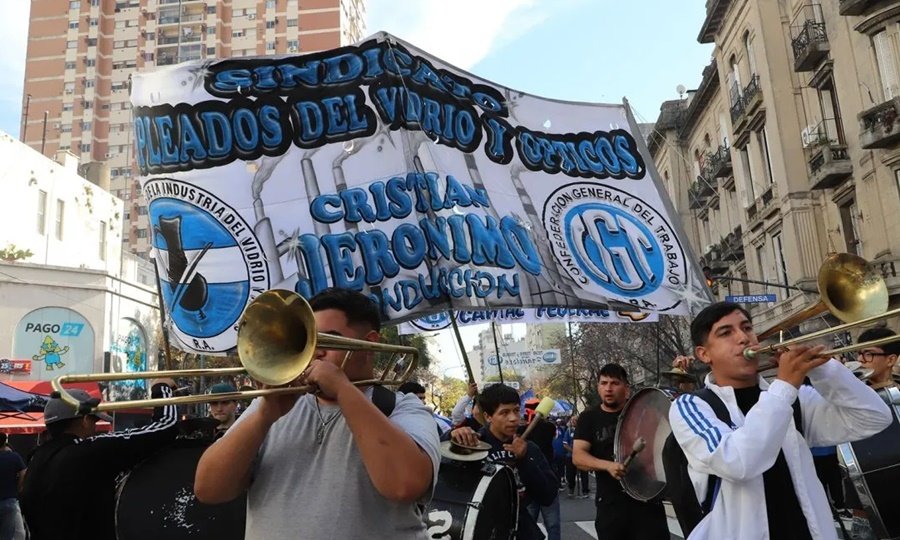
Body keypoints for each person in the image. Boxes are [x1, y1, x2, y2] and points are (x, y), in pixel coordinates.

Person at [194, 288, 441, 540]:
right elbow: (209, 489)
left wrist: (343, 390)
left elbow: (404, 485)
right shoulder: (269, 407)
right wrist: (264, 416)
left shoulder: (404, 408)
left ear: (370, 344)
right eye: (309, 339)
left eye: (328, 339)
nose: (315, 351)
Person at [668, 301, 892, 540]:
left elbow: (874, 417)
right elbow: (738, 463)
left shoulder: (793, 398)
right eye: (726, 333)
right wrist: (785, 386)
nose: (743, 338)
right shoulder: (691, 406)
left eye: (747, 328)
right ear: (704, 354)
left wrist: (824, 369)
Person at [20, 381, 179, 540]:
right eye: (94, 421)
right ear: (84, 420)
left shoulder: (36, 459)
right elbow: (166, 426)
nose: (95, 428)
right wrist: (162, 388)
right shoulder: (90, 451)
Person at [573, 363, 670, 540]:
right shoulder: (588, 418)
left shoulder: (644, 412)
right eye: (604, 383)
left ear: (626, 388)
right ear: (598, 387)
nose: (608, 388)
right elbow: (578, 457)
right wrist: (608, 466)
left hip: (648, 500)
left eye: (615, 383)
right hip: (611, 505)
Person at [450, 383, 557, 540]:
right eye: (504, 412)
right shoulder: (473, 445)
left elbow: (548, 496)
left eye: (516, 410)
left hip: (522, 530)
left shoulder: (528, 448)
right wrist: (453, 437)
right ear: (488, 416)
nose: (513, 418)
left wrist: (524, 460)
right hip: (480, 530)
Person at [840, 326, 900, 539]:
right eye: (859, 353)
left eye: (869, 354)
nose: (860, 360)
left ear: (890, 359)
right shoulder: (851, 396)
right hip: (865, 505)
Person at [520, 402, 561, 540]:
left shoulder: (548, 427)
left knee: (552, 525)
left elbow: (547, 430)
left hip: (548, 482)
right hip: (530, 483)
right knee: (529, 525)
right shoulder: (522, 430)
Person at [0, 433, 26, 540]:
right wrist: (19, 487)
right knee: (7, 535)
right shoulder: (14, 457)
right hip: (9, 500)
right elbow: (24, 472)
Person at [563, 415, 591, 498]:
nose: (573, 421)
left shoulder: (584, 431)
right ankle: (571, 489)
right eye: (572, 420)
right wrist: (574, 451)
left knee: (584, 474)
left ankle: (585, 491)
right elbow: (565, 444)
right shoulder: (568, 431)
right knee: (570, 474)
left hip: (582, 456)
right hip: (571, 456)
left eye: (575, 420)